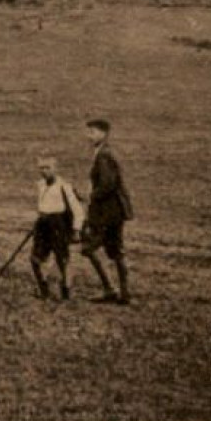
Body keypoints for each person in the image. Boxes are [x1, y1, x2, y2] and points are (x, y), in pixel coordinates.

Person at [81, 119, 135, 305]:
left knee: (88, 248)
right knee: (116, 251)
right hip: (115, 211)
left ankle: (111, 289)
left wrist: (90, 196)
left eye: (93, 132)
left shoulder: (104, 155)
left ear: (104, 134)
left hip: (108, 212)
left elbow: (107, 185)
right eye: (89, 132)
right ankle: (123, 293)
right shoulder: (104, 152)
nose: (89, 136)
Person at [29, 155, 83, 300]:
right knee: (35, 258)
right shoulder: (40, 185)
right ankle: (43, 289)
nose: (44, 171)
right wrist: (39, 221)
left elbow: (77, 209)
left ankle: (65, 292)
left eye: (48, 168)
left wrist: (76, 230)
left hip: (58, 225)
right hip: (43, 225)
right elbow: (42, 205)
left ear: (55, 169)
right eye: (41, 168)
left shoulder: (64, 187)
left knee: (62, 259)